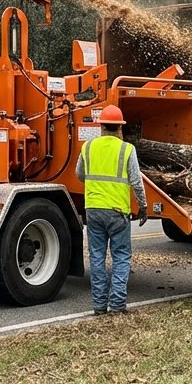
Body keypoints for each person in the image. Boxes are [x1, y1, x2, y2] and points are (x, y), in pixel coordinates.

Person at [76, 105, 147, 315]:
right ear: (120, 128)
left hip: (93, 210)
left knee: (97, 257)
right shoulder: (126, 149)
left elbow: (80, 174)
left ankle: (99, 306)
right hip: (118, 211)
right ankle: (117, 305)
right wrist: (143, 206)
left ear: (101, 127)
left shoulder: (87, 147)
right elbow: (136, 181)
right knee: (121, 256)